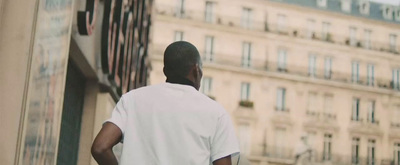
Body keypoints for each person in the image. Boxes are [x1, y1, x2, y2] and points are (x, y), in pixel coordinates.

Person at [91, 41, 240, 165]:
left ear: (164, 70)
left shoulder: (132, 100)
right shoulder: (216, 113)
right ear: (196, 70)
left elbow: (100, 147)